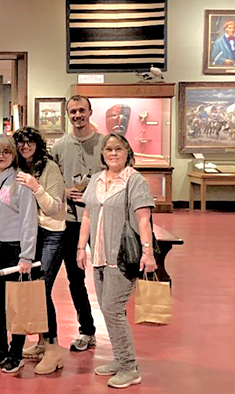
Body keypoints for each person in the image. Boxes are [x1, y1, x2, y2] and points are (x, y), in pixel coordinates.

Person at [76, 133, 156, 389]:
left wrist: (148, 252)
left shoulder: (135, 181)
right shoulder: (97, 180)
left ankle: (129, 367)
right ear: (102, 154)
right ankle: (120, 358)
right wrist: (81, 247)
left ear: (127, 152)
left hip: (121, 258)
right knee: (110, 311)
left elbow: (143, 219)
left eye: (118, 149)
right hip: (98, 256)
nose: (112, 153)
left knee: (113, 310)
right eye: (108, 149)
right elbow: (87, 215)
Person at [0, 134, 37, 374]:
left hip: (13, 249)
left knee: (15, 304)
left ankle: (16, 352)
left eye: (6, 151)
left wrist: (27, 255)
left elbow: (28, 220)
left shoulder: (21, 181)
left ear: (14, 155)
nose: (0, 155)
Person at [11, 127, 67, 374]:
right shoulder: (16, 169)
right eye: (20, 143)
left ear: (37, 144)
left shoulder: (50, 168)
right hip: (30, 234)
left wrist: (36, 187)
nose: (24, 147)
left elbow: (55, 208)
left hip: (51, 233)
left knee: (42, 289)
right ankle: (43, 342)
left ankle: (54, 348)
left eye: (29, 142)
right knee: (33, 288)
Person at [49, 95, 102, 352]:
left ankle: (116, 327)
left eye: (82, 110)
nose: (77, 115)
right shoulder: (59, 147)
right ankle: (87, 330)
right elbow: (52, 181)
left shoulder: (105, 144)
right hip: (71, 221)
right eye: (73, 111)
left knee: (106, 276)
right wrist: (65, 191)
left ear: (90, 112)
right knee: (75, 277)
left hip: (100, 220)